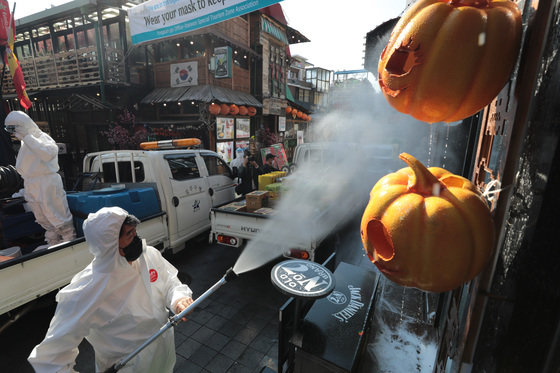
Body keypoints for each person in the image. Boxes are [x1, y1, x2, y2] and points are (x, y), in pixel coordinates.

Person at [28, 206, 194, 373]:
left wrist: (178, 299)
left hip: (163, 353)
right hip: (129, 366)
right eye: (129, 235)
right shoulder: (87, 289)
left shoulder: (147, 255)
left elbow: (169, 281)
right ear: (110, 244)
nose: (136, 238)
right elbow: (49, 359)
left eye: (135, 231)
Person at [4, 110, 76, 246]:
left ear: (21, 125)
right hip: (33, 183)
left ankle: (68, 240)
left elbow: (48, 153)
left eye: (13, 128)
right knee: (41, 215)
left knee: (55, 213)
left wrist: (27, 137)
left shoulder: (39, 138)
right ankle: (53, 242)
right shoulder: (25, 143)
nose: (12, 133)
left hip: (46, 181)